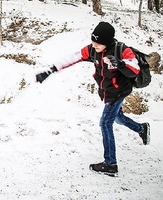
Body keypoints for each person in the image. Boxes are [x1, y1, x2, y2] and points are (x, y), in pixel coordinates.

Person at [36, 21, 150, 177]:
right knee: (117, 117)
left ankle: (110, 164)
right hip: (107, 91)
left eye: (98, 43)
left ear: (107, 42)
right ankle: (142, 129)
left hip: (118, 92)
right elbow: (73, 57)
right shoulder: (93, 50)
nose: (94, 45)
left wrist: (120, 64)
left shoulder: (121, 50)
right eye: (93, 41)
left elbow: (134, 69)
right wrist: (50, 70)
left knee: (105, 122)